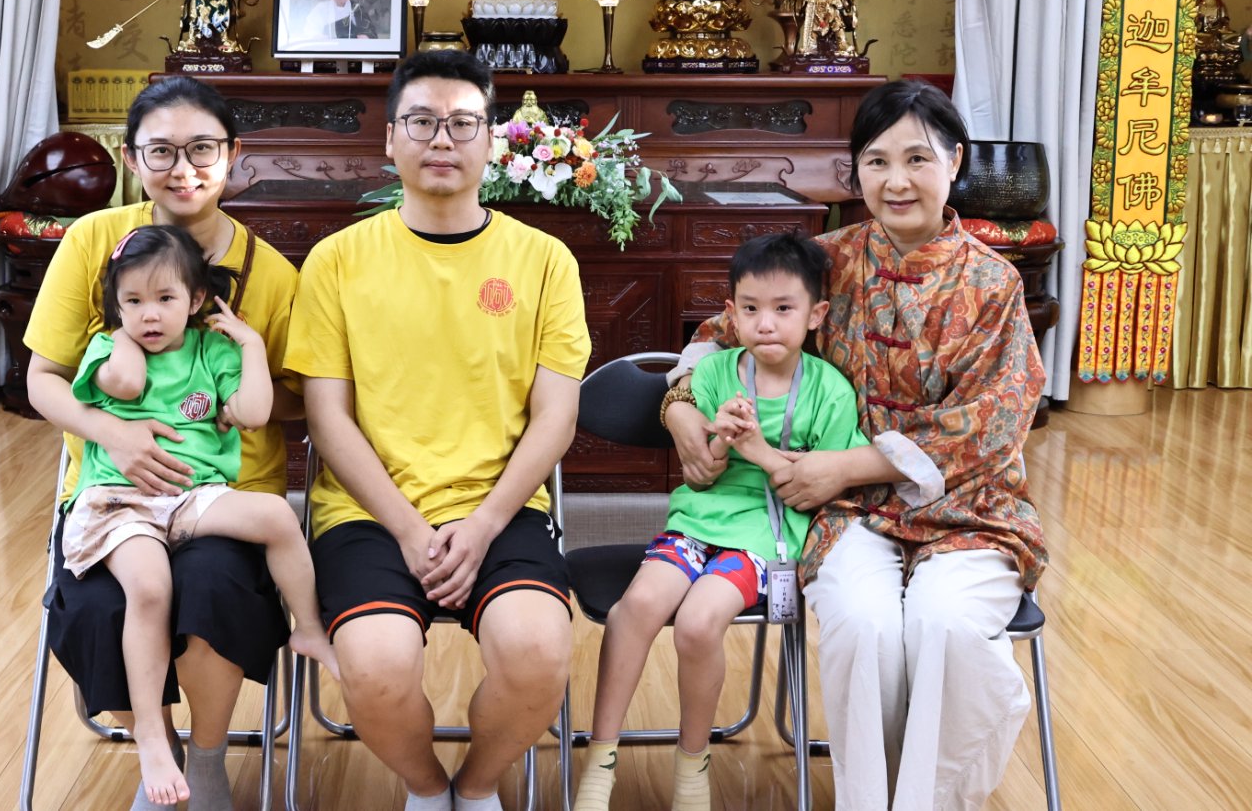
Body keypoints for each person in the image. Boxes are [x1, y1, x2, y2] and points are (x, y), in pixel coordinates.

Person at [665, 79, 1048, 811]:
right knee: (863, 625)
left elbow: (996, 419)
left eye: (916, 159)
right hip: (844, 513)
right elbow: (716, 339)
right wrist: (680, 407)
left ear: (954, 162)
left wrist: (850, 464)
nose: (896, 181)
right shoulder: (825, 263)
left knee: (946, 626)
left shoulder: (993, 284)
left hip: (970, 509)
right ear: (856, 172)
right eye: (876, 162)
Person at [284, 49, 589, 811]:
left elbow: (556, 417)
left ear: (494, 141)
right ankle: (425, 789)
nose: (442, 139)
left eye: (463, 124)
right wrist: (410, 529)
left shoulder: (544, 261)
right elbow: (327, 418)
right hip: (368, 513)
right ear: (390, 139)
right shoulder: (336, 262)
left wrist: (483, 525)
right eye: (421, 122)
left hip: (501, 509)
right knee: (376, 668)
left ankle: (477, 788)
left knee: (539, 654)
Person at [25, 75, 302, 811]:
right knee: (103, 611)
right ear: (131, 157)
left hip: (224, 495)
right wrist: (113, 430)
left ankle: (205, 762)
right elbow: (44, 379)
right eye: (161, 151)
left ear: (234, 154)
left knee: (212, 592)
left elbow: (296, 396)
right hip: (112, 495)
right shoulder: (93, 242)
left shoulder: (272, 275)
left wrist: (231, 394)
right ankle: (160, 749)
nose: (183, 169)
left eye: (203, 149)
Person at [574, 234, 867, 811]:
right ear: (731, 314)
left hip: (767, 537)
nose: (766, 323)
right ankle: (599, 762)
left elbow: (815, 490)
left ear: (815, 315)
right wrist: (718, 439)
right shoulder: (711, 376)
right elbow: (703, 476)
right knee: (636, 608)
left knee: (699, 622)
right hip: (695, 523)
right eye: (751, 308)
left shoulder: (830, 391)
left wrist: (755, 448)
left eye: (783, 309)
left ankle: (692, 766)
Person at [62, 224, 338, 806]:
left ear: (195, 300)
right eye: (133, 300)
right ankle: (152, 738)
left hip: (190, 499)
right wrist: (124, 332)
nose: (150, 314)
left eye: (165, 298)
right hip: (120, 505)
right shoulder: (109, 349)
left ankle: (310, 629)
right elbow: (126, 384)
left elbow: (255, 412)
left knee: (276, 516)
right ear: (116, 306)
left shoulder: (213, 351)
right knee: (150, 587)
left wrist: (251, 346)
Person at [301, 0, 373, 40]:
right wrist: (319, 37)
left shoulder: (358, 9)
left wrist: (366, 37)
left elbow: (370, 32)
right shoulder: (321, 8)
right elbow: (309, 30)